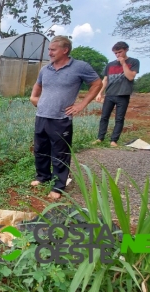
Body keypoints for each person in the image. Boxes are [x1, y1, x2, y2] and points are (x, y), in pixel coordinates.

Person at [30, 36, 103, 199]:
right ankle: (42, 176)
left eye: (53, 50)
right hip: (41, 115)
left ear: (65, 50)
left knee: (60, 153)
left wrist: (81, 104)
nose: (49, 53)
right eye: (49, 49)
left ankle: (58, 185)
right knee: (40, 150)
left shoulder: (80, 67)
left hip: (61, 119)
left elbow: (97, 84)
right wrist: (33, 98)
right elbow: (38, 85)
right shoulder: (45, 69)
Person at [94, 41, 140, 147]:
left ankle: (113, 140)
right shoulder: (110, 65)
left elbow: (130, 77)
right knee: (104, 117)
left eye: (120, 52)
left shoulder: (134, 62)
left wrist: (123, 63)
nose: (118, 55)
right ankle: (100, 138)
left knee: (119, 118)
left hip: (123, 95)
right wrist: (99, 93)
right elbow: (105, 80)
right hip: (109, 94)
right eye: (116, 53)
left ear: (126, 50)